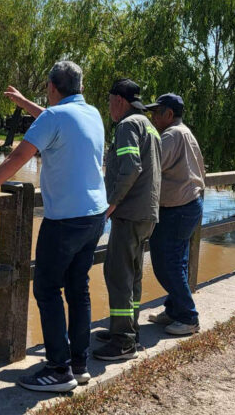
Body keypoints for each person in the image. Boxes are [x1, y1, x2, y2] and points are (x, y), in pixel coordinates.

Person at [0, 61, 108, 392]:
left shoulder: (54, 117)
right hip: (95, 216)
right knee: (78, 288)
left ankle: (58, 370)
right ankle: (79, 364)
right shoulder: (92, 114)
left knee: (46, 289)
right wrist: (26, 103)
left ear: (53, 88)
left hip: (66, 220)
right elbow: (57, 122)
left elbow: (17, 158)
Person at [93, 79, 161, 361]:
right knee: (132, 275)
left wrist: (111, 203)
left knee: (118, 275)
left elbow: (131, 166)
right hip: (147, 212)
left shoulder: (127, 126)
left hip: (129, 213)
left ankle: (123, 342)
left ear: (119, 100)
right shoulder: (150, 127)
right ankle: (127, 329)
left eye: (109, 101)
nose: (108, 107)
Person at [145, 93, 205, 335]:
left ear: (169, 114)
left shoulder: (171, 135)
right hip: (189, 204)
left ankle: (189, 317)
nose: (152, 117)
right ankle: (174, 309)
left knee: (165, 263)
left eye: (156, 112)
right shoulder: (184, 132)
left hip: (177, 208)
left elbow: (151, 165)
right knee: (177, 261)